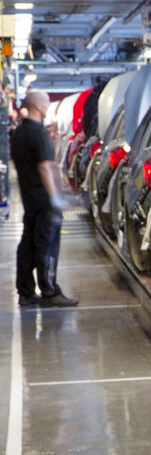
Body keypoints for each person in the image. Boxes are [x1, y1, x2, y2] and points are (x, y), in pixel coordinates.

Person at [10, 90, 78, 308]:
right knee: (47, 246)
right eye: (47, 103)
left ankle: (26, 292)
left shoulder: (19, 133)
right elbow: (46, 167)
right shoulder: (38, 133)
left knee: (28, 244)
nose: (48, 107)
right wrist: (57, 197)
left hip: (29, 198)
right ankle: (49, 292)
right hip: (44, 200)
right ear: (38, 106)